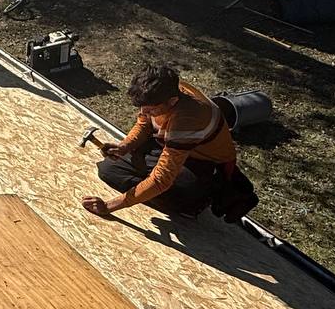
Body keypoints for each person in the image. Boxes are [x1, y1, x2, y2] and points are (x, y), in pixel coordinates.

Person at [82, 65, 257, 222]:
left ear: (172, 102)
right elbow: (144, 122)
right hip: (172, 145)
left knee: (177, 192)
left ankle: (197, 201)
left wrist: (110, 206)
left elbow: (161, 179)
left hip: (203, 162)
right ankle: (150, 190)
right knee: (109, 170)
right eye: (142, 107)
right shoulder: (160, 93)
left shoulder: (187, 119)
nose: (144, 112)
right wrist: (125, 146)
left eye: (150, 109)